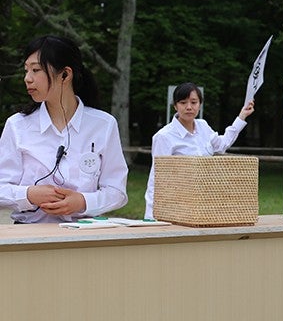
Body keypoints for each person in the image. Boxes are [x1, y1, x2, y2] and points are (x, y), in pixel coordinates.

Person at [0, 35, 128, 223]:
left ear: (65, 75)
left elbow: (117, 191)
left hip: (84, 237)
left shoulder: (104, 125)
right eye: (26, 70)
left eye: (36, 70)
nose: (27, 78)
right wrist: (28, 194)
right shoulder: (17, 125)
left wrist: (83, 201)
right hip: (29, 237)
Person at [144, 83, 254, 219]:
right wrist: (151, 216)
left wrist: (242, 116)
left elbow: (222, 144)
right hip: (176, 208)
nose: (189, 107)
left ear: (200, 104)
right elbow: (156, 179)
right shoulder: (164, 137)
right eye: (183, 102)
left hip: (204, 206)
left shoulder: (203, 126)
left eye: (194, 102)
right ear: (175, 106)